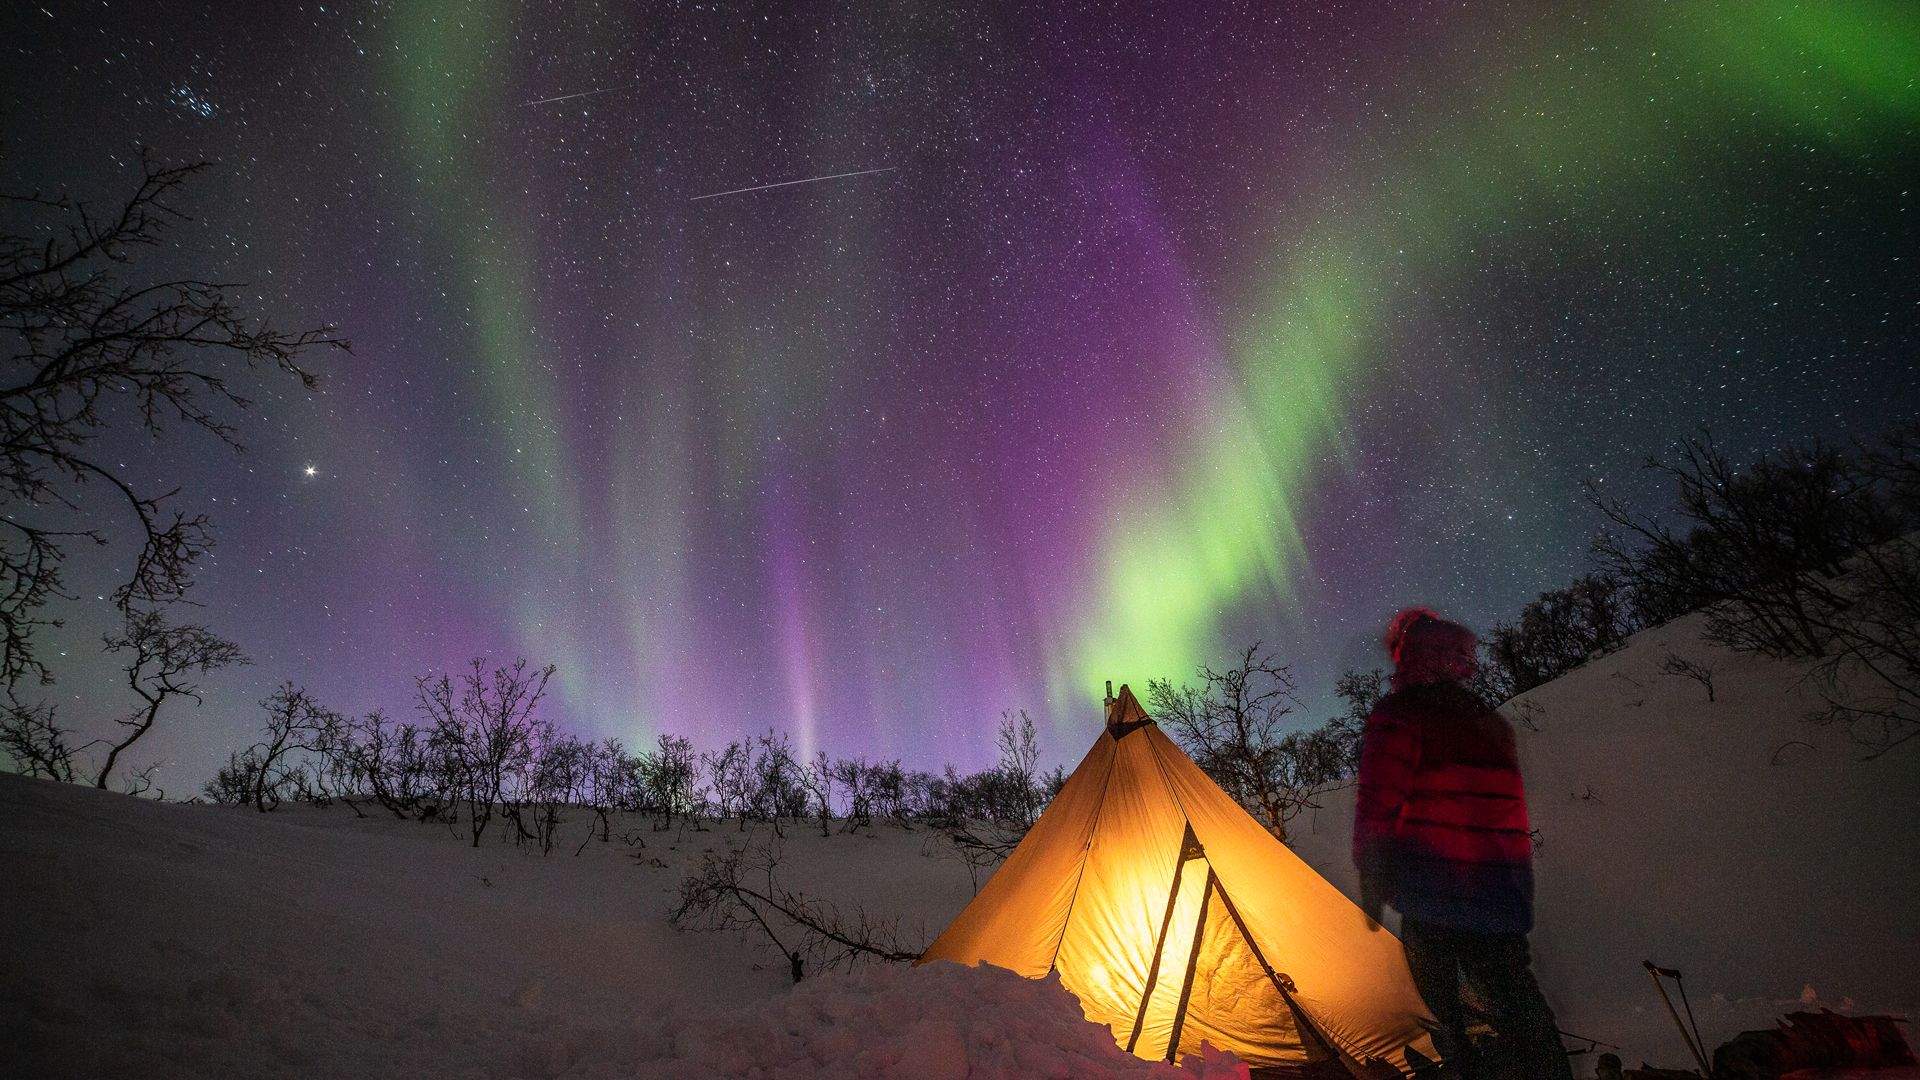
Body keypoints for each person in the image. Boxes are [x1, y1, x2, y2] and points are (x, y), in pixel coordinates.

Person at [1353, 607, 1573, 1080]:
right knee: (1520, 1006)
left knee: (1456, 1021)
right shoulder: (1488, 723)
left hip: (1436, 900)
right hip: (1501, 902)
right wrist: (1515, 894)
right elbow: (1508, 820)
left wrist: (1373, 877)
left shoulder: (1400, 716)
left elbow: (1378, 803)